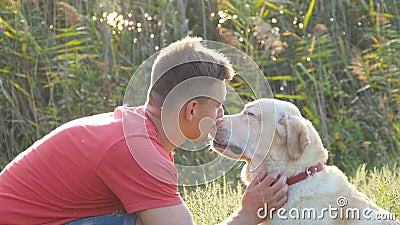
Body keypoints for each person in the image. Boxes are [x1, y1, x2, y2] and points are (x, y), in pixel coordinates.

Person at [0, 37, 288, 225]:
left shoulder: (135, 130)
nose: (222, 116)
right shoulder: (139, 151)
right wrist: (248, 212)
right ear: (191, 110)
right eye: (218, 107)